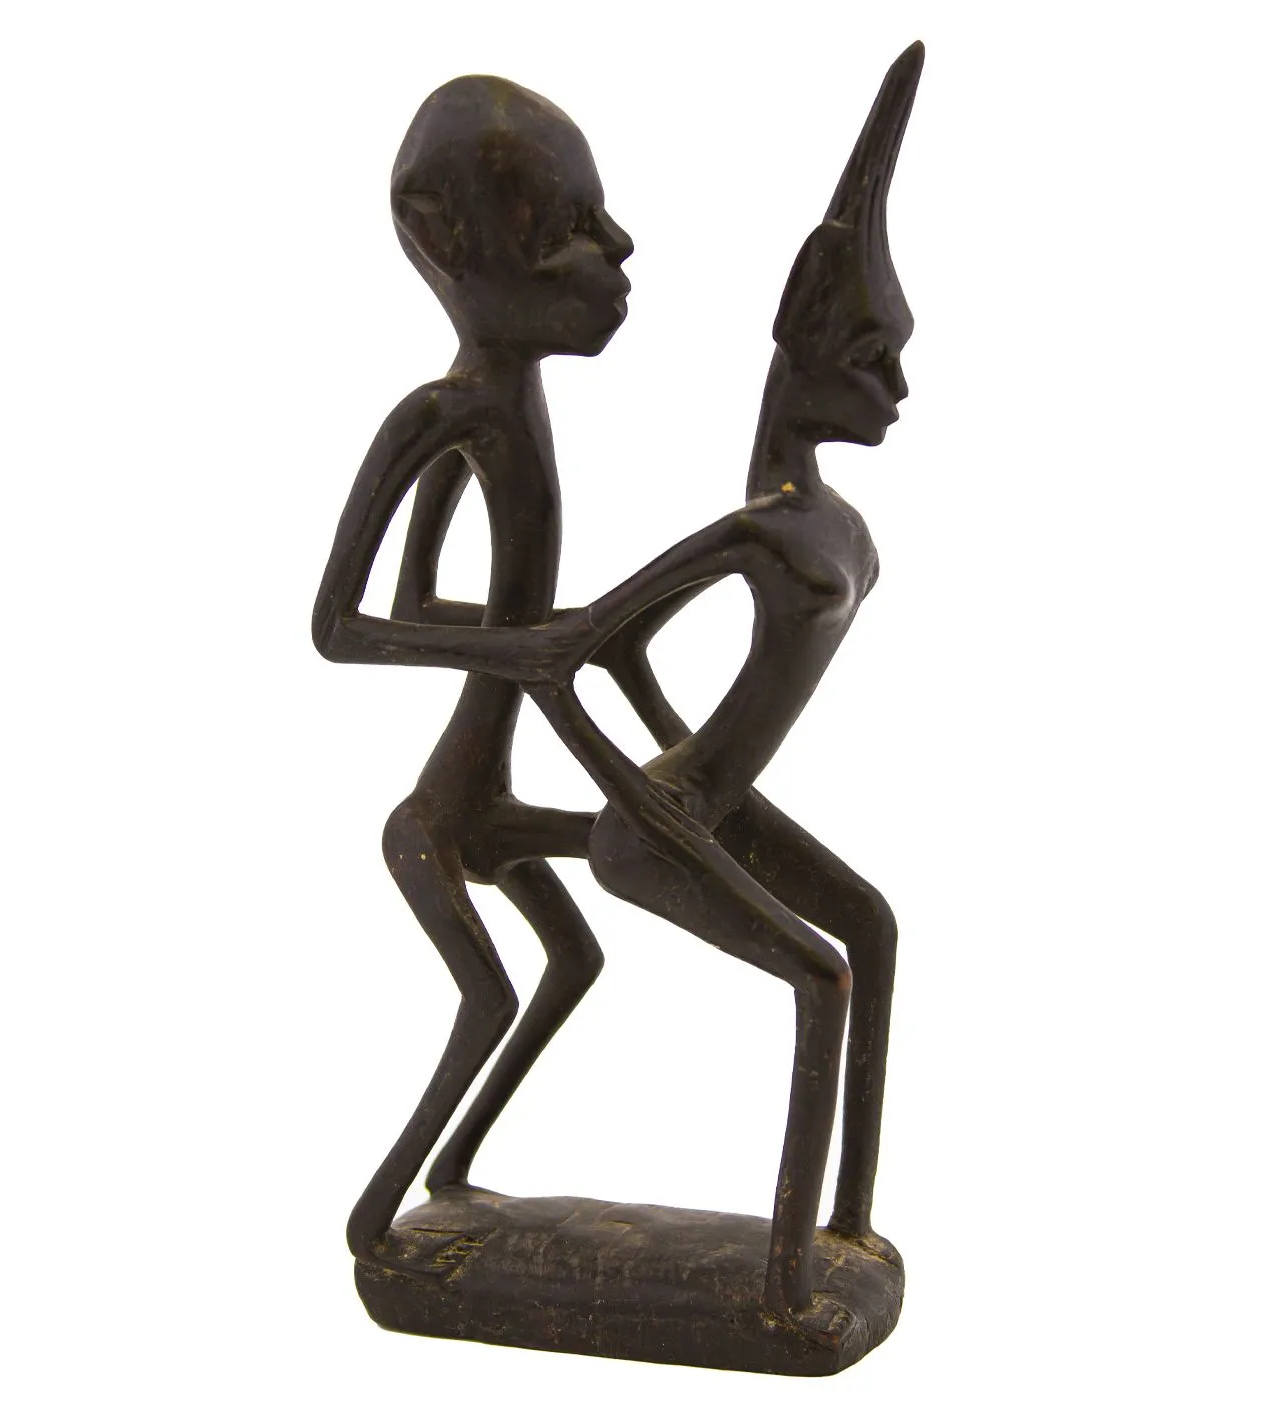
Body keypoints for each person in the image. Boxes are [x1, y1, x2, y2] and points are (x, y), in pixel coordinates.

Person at [526, 41, 923, 1320]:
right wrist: (647, 795)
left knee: (872, 928)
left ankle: (849, 1224)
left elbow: (626, 665)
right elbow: (574, 651)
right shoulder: (763, 528)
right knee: (824, 978)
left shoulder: (838, 525)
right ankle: (784, 1288)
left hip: (710, 801)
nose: (898, 387)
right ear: (810, 350)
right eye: (874, 355)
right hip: (657, 825)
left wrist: (686, 761)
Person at [312, 73, 633, 1266]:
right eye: (568, 226)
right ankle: (377, 1223)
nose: (617, 248)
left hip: (493, 792)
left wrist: (565, 628)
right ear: (446, 239)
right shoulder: (439, 413)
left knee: (581, 954)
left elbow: (423, 601)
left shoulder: (513, 404)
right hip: (443, 815)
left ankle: (455, 1176)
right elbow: (343, 624)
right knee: (491, 995)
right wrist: (527, 645)